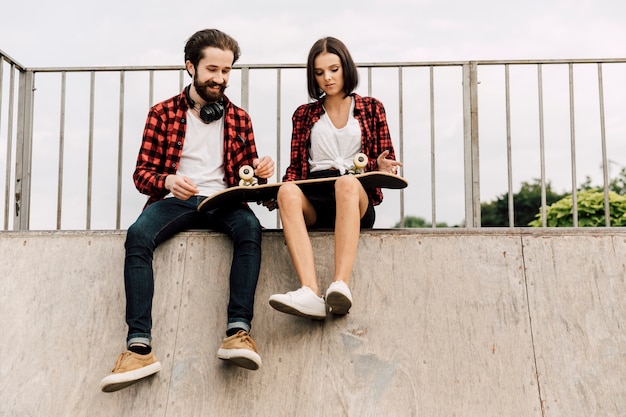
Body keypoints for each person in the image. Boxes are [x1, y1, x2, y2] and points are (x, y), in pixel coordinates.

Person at [100, 29, 275, 392]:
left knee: (250, 230)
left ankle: (238, 333)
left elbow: (249, 186)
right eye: (212, 69)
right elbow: (142, 175)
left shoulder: (240, 119)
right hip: (175, 201)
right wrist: (167, 181)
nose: (220, 79)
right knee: (138, 236)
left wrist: (259, 174)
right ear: (190, 66)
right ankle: (138, 347)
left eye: (226, 71)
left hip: (224, 199)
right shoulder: (162, 113)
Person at [268, 37, 402, 320]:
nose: (327, 78)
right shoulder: (304, 115)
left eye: (333, 69)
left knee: (346, 183)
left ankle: (340, 285)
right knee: (288, 191)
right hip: (316, 198)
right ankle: (309, 291)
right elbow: (296, 167)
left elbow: (384, 157)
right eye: (319, 73)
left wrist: (379, 165)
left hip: (355, 197)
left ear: (346, 68)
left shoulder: (372, 108)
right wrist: (276, 190)